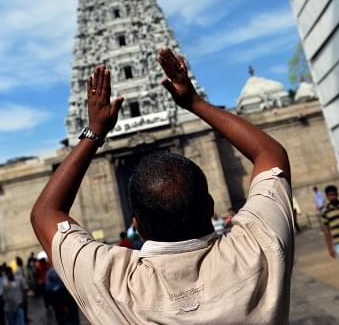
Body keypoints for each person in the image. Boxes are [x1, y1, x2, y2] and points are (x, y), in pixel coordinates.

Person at [30, 48, 293, 324]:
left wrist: (94, 130)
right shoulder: (257, 247)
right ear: (210, 208)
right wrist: (195, 103)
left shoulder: (113, 284)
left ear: (138, 227)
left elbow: (44, 213)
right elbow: (270, 154)